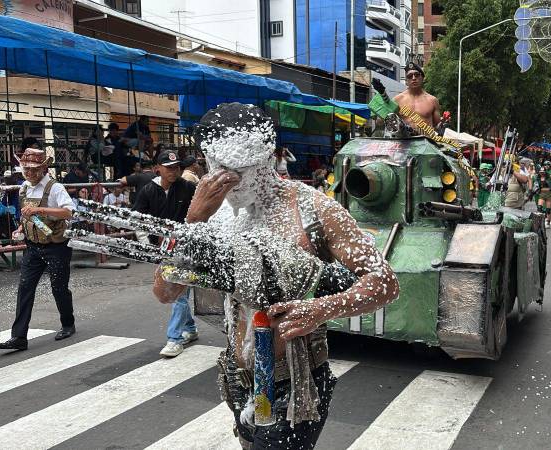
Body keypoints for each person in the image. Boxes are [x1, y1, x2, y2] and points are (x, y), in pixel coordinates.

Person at [152, 103, 398, 449]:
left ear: (268, 157)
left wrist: (323, 308)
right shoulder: (210, 211)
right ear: (207, 161)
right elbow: (165, 291)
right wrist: (192, 225)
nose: (232, 181)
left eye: (243, 169)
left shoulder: (312, 207)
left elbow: (384, 282)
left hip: (295, 381)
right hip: (237, 377)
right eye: (221, 169)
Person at [0, 148, 76, 351]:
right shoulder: (24, 188)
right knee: (25, 288)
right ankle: (19, 337)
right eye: (25, 169)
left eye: (33, 169)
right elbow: (28, 216)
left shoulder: (55, 188)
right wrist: (21, 227)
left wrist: (40, 209)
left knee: (59, 287)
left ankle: (68, 324)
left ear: (43, 168)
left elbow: (69, 212)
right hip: (33, 246)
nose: (29, 173)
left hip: (57, 246)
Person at [132, 149, 198, 358]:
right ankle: (190, 328)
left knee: (178, 292)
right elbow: (138, 221)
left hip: (185, 247)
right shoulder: (147, 191)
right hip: (161, 249)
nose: (173, 171)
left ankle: (174, 338)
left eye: (176, 167)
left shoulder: (188, 187)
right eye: (168, 168)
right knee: (177, 291)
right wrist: (147, 246)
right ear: (157, 169)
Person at [394, 62, 441, 128]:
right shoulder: (397, 100)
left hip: (426, 138)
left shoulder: (432, 100)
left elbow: (438, 126)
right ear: (406, 81)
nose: (413, 78)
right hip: (404, 138)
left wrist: (444, 122)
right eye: (410, 76)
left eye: (417, 75)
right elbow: (383, 121)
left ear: (422, 78)